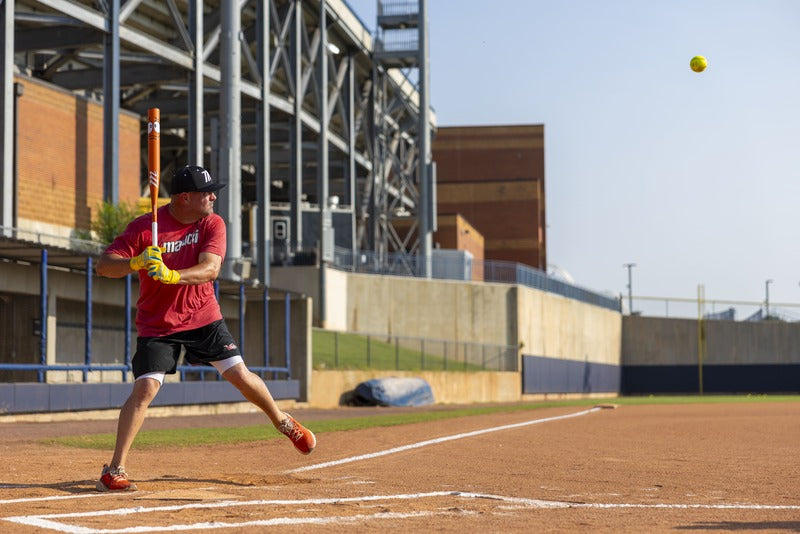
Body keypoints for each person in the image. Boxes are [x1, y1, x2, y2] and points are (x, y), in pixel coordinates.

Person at [94, 165, 315, 492]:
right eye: (207, 192)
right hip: (159, 323)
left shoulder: (212, 223)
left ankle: (282, 421)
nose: (213, 196)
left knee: (240, 376)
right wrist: (136, 261)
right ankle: (115, 469)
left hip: (202, 317)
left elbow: (211, 269)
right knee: (145, 390)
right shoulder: (145, 228)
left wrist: (172, 276)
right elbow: (103, 266)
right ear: (185, 197)